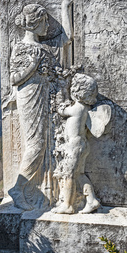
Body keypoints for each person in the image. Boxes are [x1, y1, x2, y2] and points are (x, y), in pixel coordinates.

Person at [8, 0, 73, 210]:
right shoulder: (21, 48)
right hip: (29, 97)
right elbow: (14, 79)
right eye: (45, 22)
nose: (47, 27)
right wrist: (32, 66)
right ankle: (18, 188)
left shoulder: (43, 48)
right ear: (34, 23)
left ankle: (29, 189)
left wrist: (64, 8)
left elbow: (66, 39)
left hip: (44, 97)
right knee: (35, 145)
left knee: (42, 144)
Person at [51, 73, 101, 214]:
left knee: (68, 175)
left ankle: (68, 205)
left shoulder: (77, 108)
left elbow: (63, 111)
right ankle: (91, 200)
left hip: (74, 146)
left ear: (78, 92)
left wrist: (61, 106)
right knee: (79, 174)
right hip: (83, 145)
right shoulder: (86, 108)